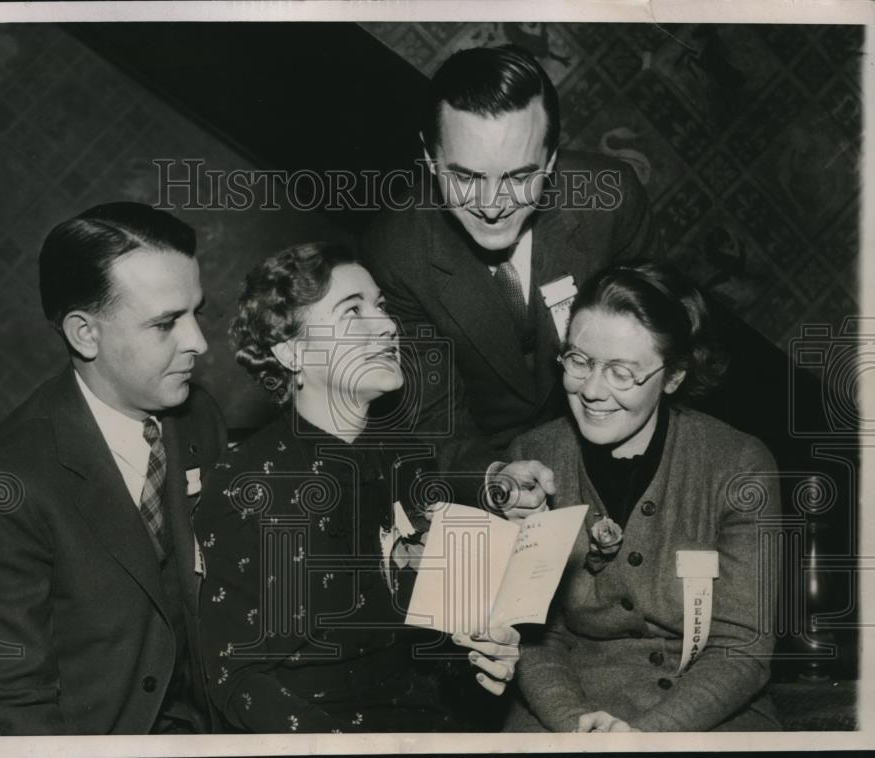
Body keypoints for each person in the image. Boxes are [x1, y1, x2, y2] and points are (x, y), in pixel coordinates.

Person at [197, 242, 529, 733]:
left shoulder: (408, 459)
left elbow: (430, 642)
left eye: (381, 306)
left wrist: (483, 656)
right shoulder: (251, 484)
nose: (388, 325)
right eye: (352, 311)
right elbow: (236, 675)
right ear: (292, 351)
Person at [0, 202, 227, 734]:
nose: (198, 343)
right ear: (85, 334)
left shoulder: (199, 418)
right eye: (165, 323)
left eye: (196, 312)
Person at [503, 261, 781, 732]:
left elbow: (741, 648)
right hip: (567, 704)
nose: (592, 390)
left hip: (706, 708)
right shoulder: (532, 458)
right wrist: (573, 723)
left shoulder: (739, 464)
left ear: (672, 377)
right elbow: (534, 635)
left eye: (622, 372)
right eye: (579, 361)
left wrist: (649, 737)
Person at [361, 43, 656, 474]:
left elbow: (662, 334)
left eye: (520, 177)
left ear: (551, 160)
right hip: (499, 457)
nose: (493, 205)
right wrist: (494, 479)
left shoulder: (611, 198)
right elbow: (435, 418)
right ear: (429, 158)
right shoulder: (392, 253)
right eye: (464, 177)